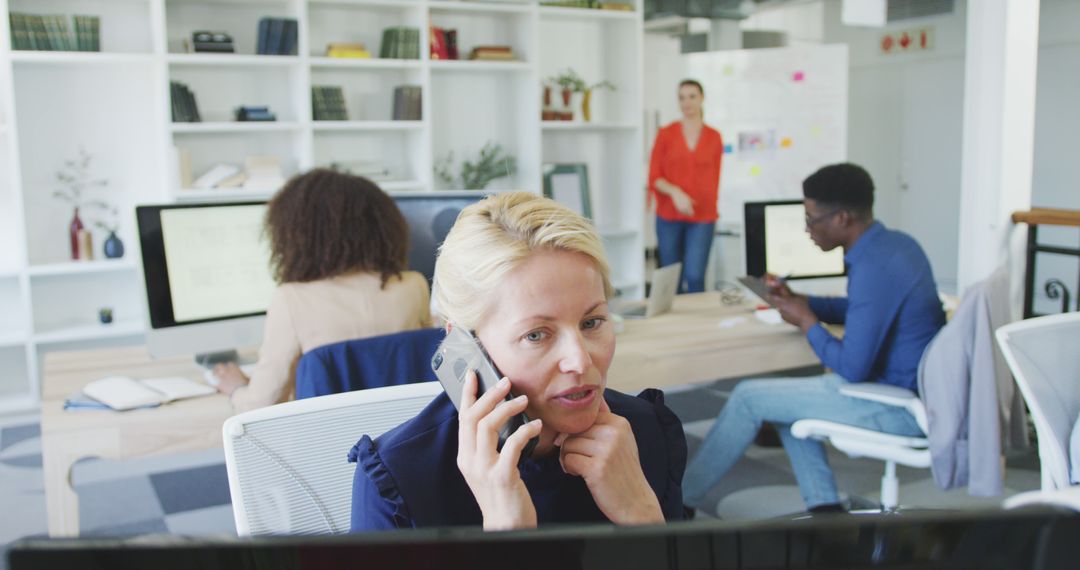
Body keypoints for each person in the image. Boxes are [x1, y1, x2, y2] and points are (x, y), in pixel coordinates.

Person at [350, 192, 687, 531]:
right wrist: (506, 537)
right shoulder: (402, 479)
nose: (580, 361)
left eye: (591, 322)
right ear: (465, 345)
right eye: (536, 335)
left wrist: (642, 514)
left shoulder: (645, 431)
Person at [682, 163, 946, 513]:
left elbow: (852, 367)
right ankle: (824, 509)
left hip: (897, 406)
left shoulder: (873, 267)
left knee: (748, 397)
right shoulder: (895, 246)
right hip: (913, 391)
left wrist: (807, 322)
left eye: (811, 219)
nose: (807, 229)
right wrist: (802, 301)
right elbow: (862, 309)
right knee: (784, 402)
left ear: (842, 218)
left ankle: (678, 501)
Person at [213, 169, 431, 413]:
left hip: (329, 444)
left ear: (297, 236)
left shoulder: (292, 299)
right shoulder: (414, 286)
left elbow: (263, 404)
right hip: (403, 438)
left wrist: (237, 389)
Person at [648, 79, 724, 293]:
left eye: (692, 96)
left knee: (695, 276)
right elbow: (654, 176)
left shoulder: (714, 137)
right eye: (681, 97)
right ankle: (674, 325)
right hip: (668, 216)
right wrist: (676, 192)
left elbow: (715, 179)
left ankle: (697, 325)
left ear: (702, 99)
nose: (686, 102)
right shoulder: (666, 134)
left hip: (702, 216)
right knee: (672, 278)